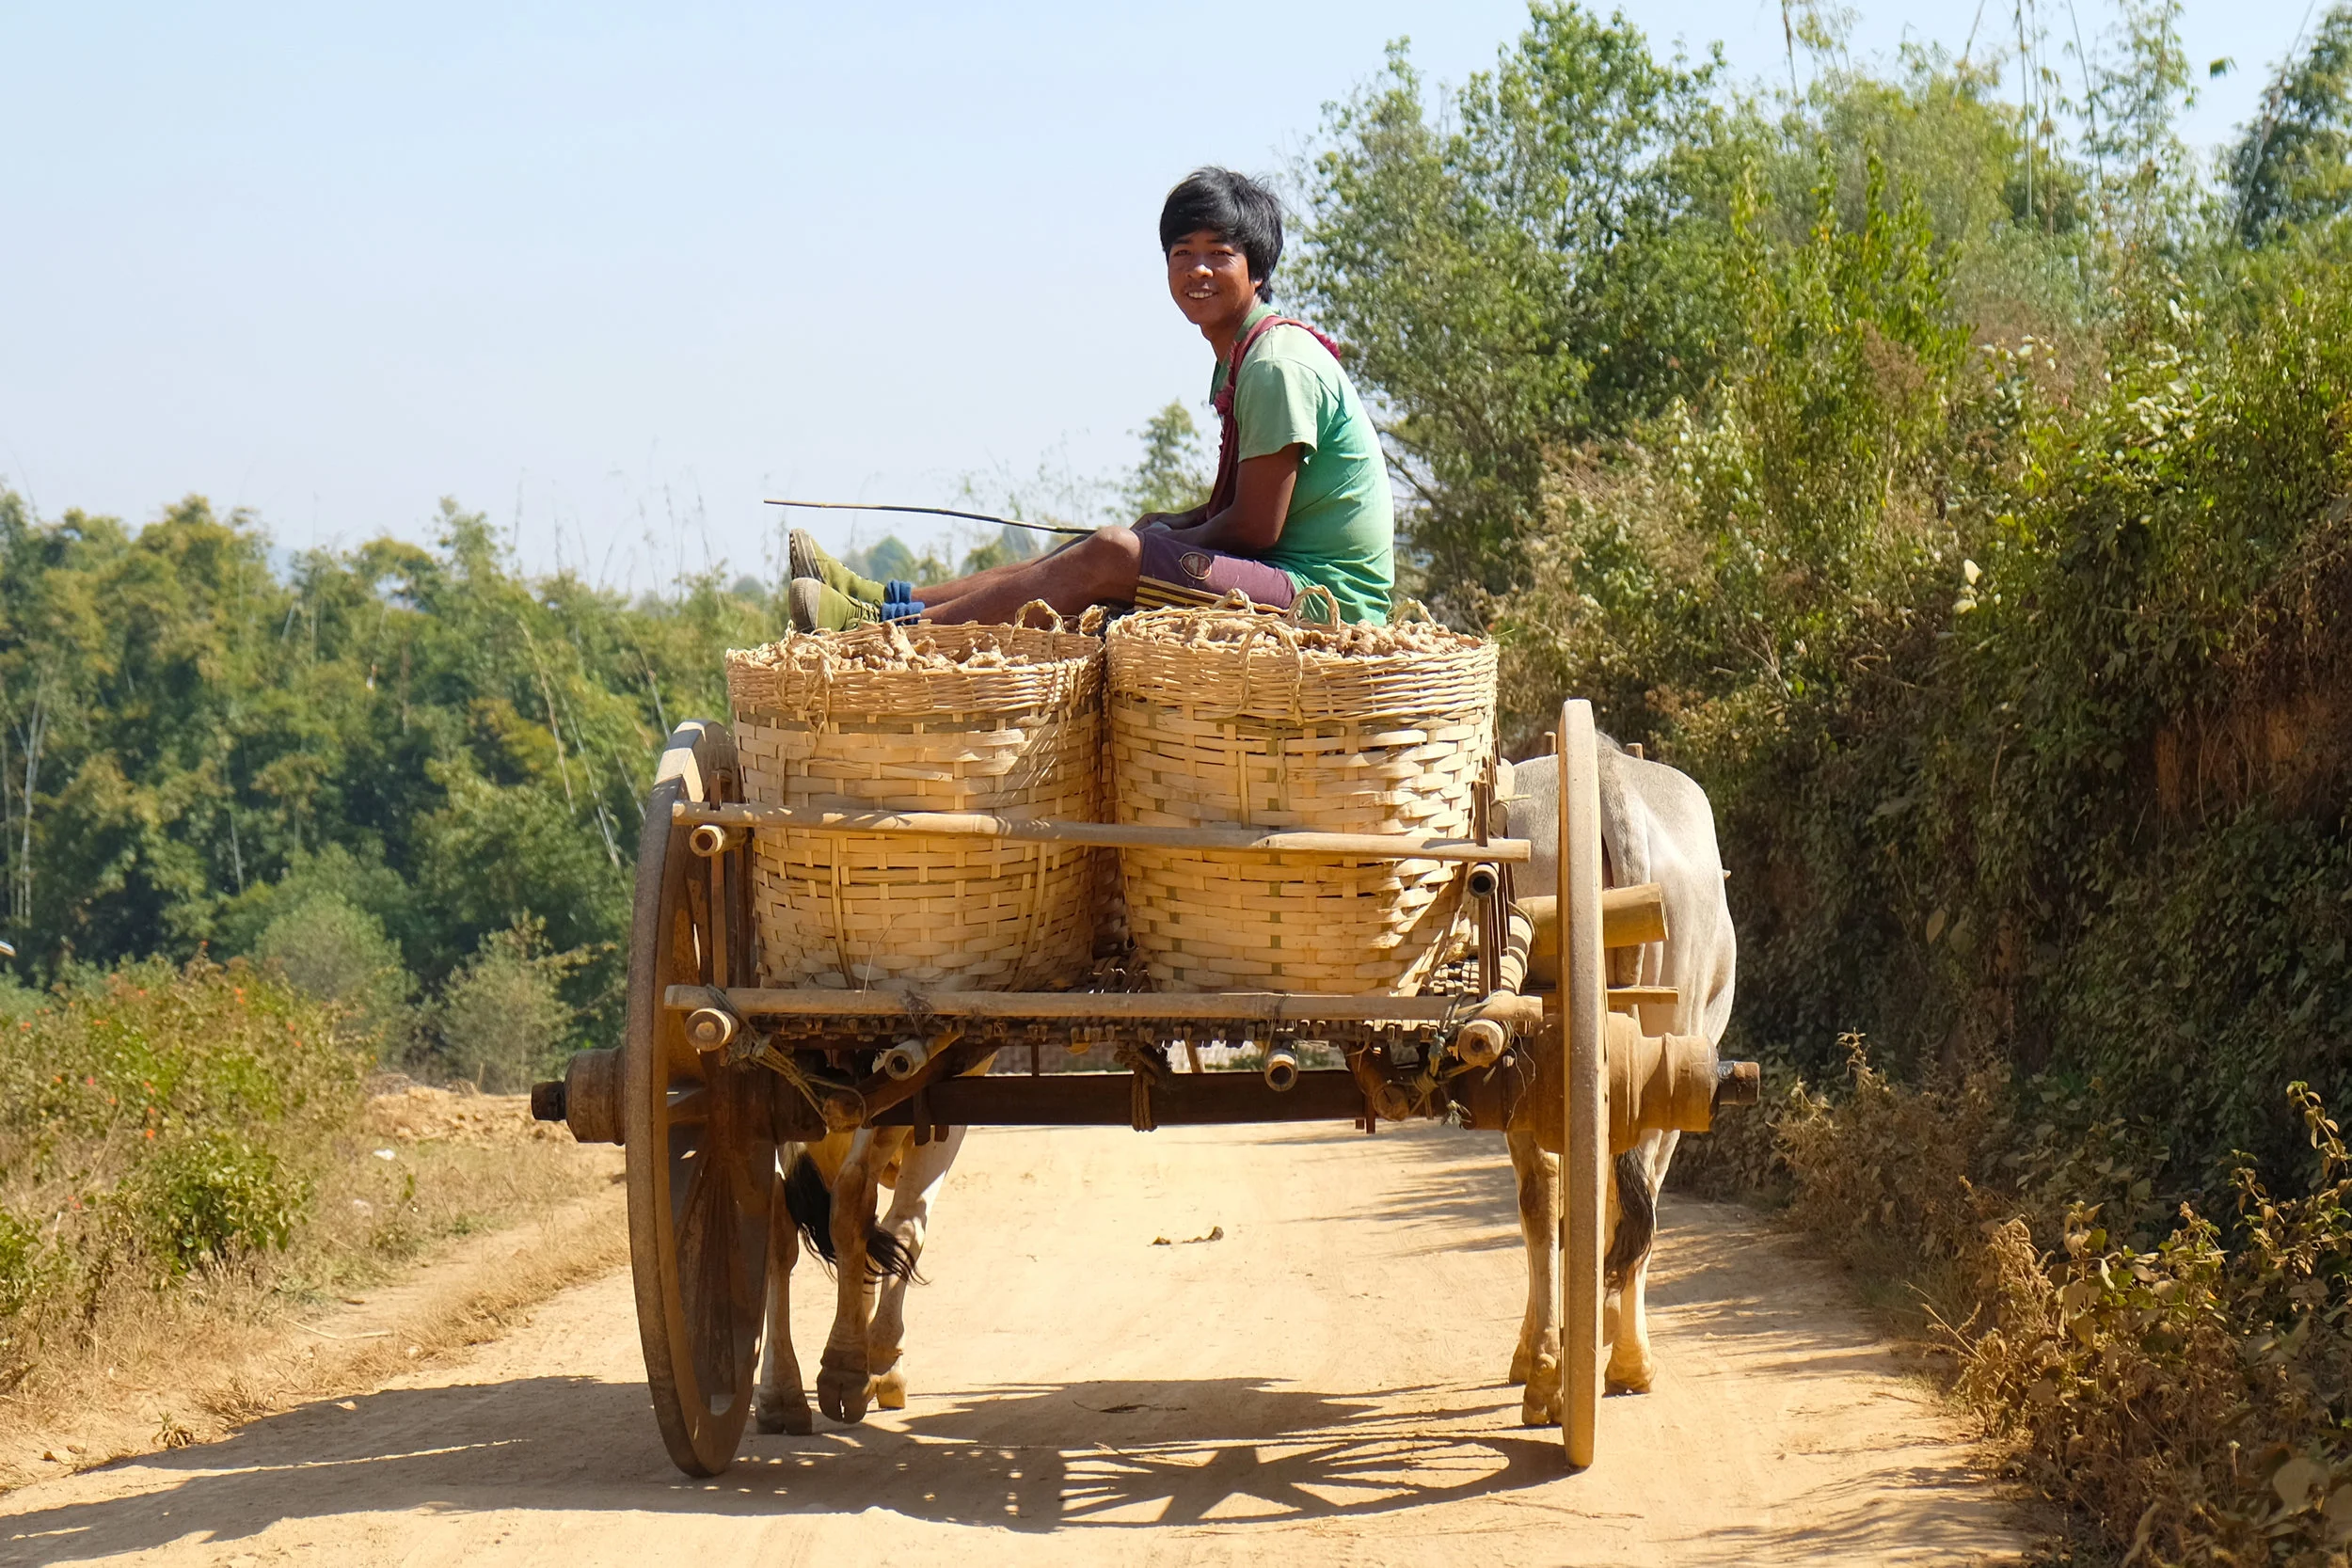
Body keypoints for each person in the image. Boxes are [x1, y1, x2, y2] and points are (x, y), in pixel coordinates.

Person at [789, 166, 1394, 630]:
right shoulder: (1242, 359)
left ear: (1257, 270)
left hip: (1324, 602)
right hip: (1285, 576)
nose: (1197, 270)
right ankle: (889, 600)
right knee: (1099, 547)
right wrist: (1167, 527)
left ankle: (882, 633)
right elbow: (1236, 508)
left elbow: (1258, 528)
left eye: (1219, 253)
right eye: (1182, 253)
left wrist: (1152, 544)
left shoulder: (1276, 364)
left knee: (1110, 551)